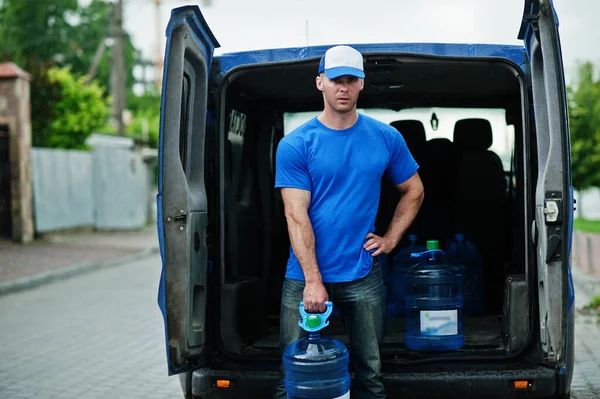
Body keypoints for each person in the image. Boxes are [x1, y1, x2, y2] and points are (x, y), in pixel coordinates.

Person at [273, 45, 424, 399]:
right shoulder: (297, 144)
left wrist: (389, 239)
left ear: (361, 84)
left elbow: (414, 191)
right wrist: (313, 281)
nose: (343, 87)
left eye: (351, 80)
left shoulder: (386, 137)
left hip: (362, 272)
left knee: (371, 374)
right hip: (303, 276)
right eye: (336, 79)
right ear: (319, 82)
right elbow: (296, 215)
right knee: (290, 374)